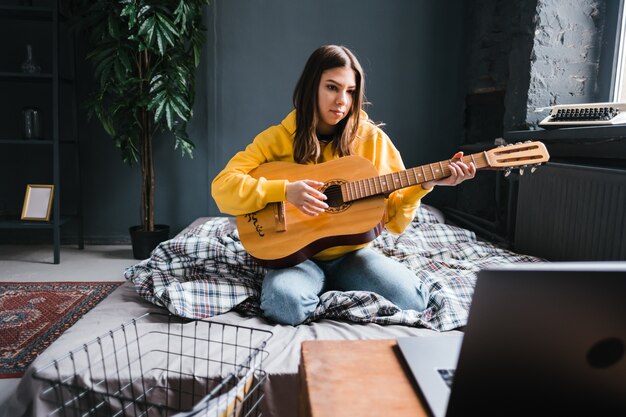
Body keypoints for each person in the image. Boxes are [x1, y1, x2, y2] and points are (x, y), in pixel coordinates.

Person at [211, 45, 476, 326]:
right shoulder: (277, 138)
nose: (341, 100)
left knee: (414, 301)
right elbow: (223, 187)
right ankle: (312, 285)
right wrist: (285, 191)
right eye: (332, 87)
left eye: (350, 91)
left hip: (353, 255)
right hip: (294, 259)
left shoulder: (371, 140)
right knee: (284, 305)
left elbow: (396, 221)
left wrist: (424, 185)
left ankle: (331, 286)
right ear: (311, 87)